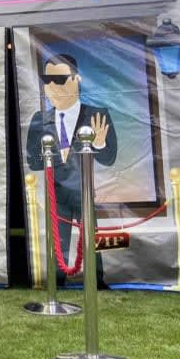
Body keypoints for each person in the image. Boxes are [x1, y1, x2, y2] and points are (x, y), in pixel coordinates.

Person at [26, 53, 117, 288]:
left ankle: (96, 281)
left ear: (77, 80)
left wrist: (98, 144)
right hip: (56, 193)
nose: (53, 86)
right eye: (48, 80)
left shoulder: (97, 115)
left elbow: (110, 159)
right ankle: (57, 282)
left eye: (60, 80)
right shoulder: (40, 119)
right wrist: (49, 154)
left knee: (90, 237)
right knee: (59, 240)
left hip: (84, 190)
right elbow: (33, 162)